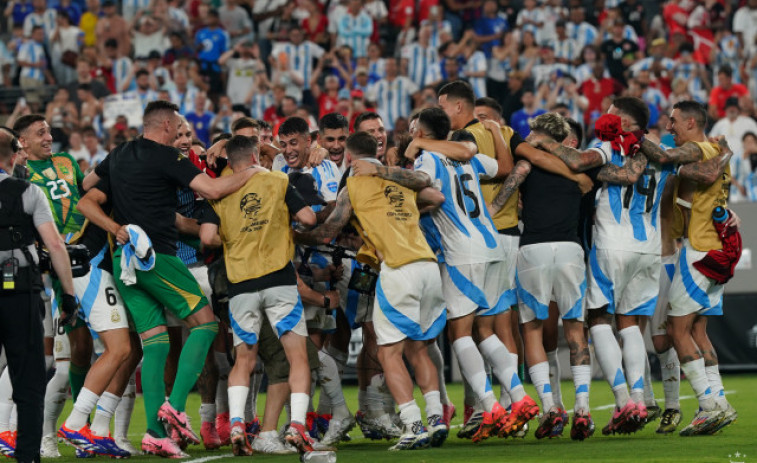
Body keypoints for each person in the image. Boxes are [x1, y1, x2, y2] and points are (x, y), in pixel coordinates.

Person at [77, 100, 261, 458]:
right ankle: (175, 408)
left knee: (156, 344)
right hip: (155, 257)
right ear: (164, 127)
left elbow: (86, 187)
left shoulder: (118, 154)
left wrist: (117, 221)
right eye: (177, 128)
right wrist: (253, 173)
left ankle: (153, 434)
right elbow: (212, 190)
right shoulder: (165, 157)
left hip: (123, 262)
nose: (180, 134)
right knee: (205, 325)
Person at [299, 131, 447, 451]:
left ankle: (413, 424)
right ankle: (436, 417)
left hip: (397, 268)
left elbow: (328, 232)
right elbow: (435, 195)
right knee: (419, 348)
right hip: (428, 266)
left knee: (387, 352)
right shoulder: (400, 180)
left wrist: (292, 237)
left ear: (350, 159)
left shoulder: (353, 184)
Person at [14, 113, 139, 459]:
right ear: (21, 142)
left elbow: (88, 191)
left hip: (88, 255)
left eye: (49, 131)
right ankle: (52, 435)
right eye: (40, 133)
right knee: (71, 358)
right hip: (61, 265)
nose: (48, 136)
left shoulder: (67, 161)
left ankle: (79, 432)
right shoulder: (18, 177)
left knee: (84, 353)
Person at [199, 135, 317, 456]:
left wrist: (235, 235)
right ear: (254, 156)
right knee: (297, 356)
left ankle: (237, 425)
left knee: (244, 359)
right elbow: (308, 218)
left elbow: (207, 236)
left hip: (240, 285)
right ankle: (296, 427)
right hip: (278, 280)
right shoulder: (277, 179)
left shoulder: (219, 192)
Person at [495, 113, 594, 440]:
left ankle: (551, 407)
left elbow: (504, 194)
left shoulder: (527, 165)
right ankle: (583, 409)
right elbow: (586, 188)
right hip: (569, 249)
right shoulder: (577, 169)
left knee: (533, 331)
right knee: (577, 330)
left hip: (533, 249)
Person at [0, 126, 77, 463]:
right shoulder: (29, 191)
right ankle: (28, 455)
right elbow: (56, 245)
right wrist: (70, 295)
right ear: (15, 155)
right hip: (20, 291)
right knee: (28, 377)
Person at [665, 101, 739, 436]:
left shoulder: (696, 150)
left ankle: (707, 406)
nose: (670, 127)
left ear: (691, 122)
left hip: (699, 251)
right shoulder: (716, 151)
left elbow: (684, 168)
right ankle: (720, 403)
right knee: (698, 331)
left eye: (674, 121)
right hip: (715, 250)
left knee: (676, 330)